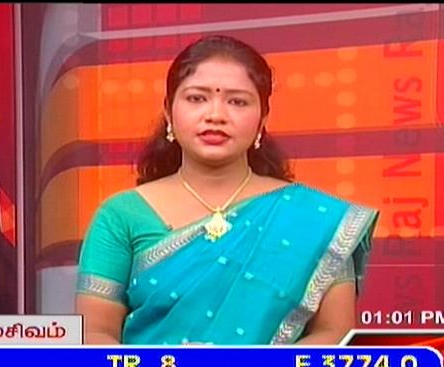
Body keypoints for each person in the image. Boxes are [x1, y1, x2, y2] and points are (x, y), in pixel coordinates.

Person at [75, 35, 378, 345]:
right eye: (197, 98)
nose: (216, 115)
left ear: (262, 118)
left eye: (237, 102)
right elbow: (94, 333)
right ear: (168, 112)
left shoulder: (314, 219)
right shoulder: (120, 216)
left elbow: (334, 333)